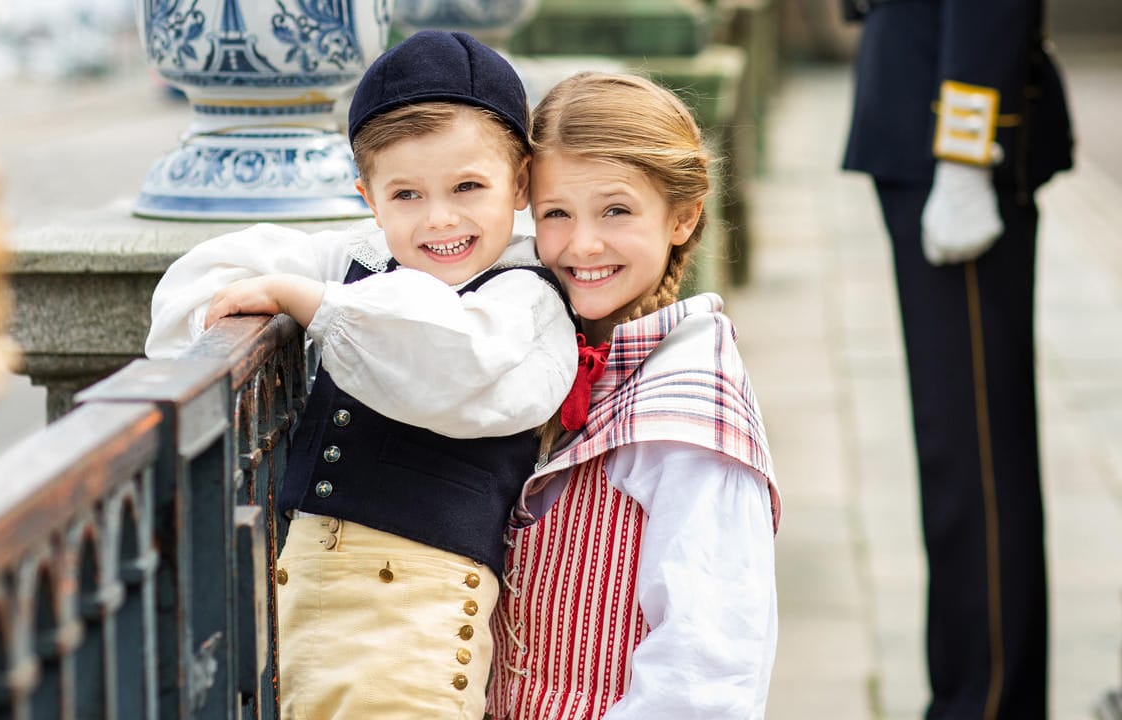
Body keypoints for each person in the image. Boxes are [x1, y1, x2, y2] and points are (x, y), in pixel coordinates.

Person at [146, 31, 578, 720]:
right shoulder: (360, 260)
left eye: (469, 186)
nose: (440, 218)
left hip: (415, 617)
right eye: (406, 194)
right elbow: (200, 282)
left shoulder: (524, 298)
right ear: (367, 196)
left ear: (520, 183)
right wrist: (253, 298)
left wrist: (310, 302)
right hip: (305, 601)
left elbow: (452, 364)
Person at [484, 71, 782, 720]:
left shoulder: (689, 415)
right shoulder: (559, 356)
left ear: (683, 216)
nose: (582, 243)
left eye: (616, 210)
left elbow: (705, 672)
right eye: (556, 213)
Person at [840, 0, 1073, 717]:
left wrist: (966, 153)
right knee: (959, 452)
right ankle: (978, 692)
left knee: (972, 457)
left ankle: (986, 700)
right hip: (914, 112)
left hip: (949, 134)